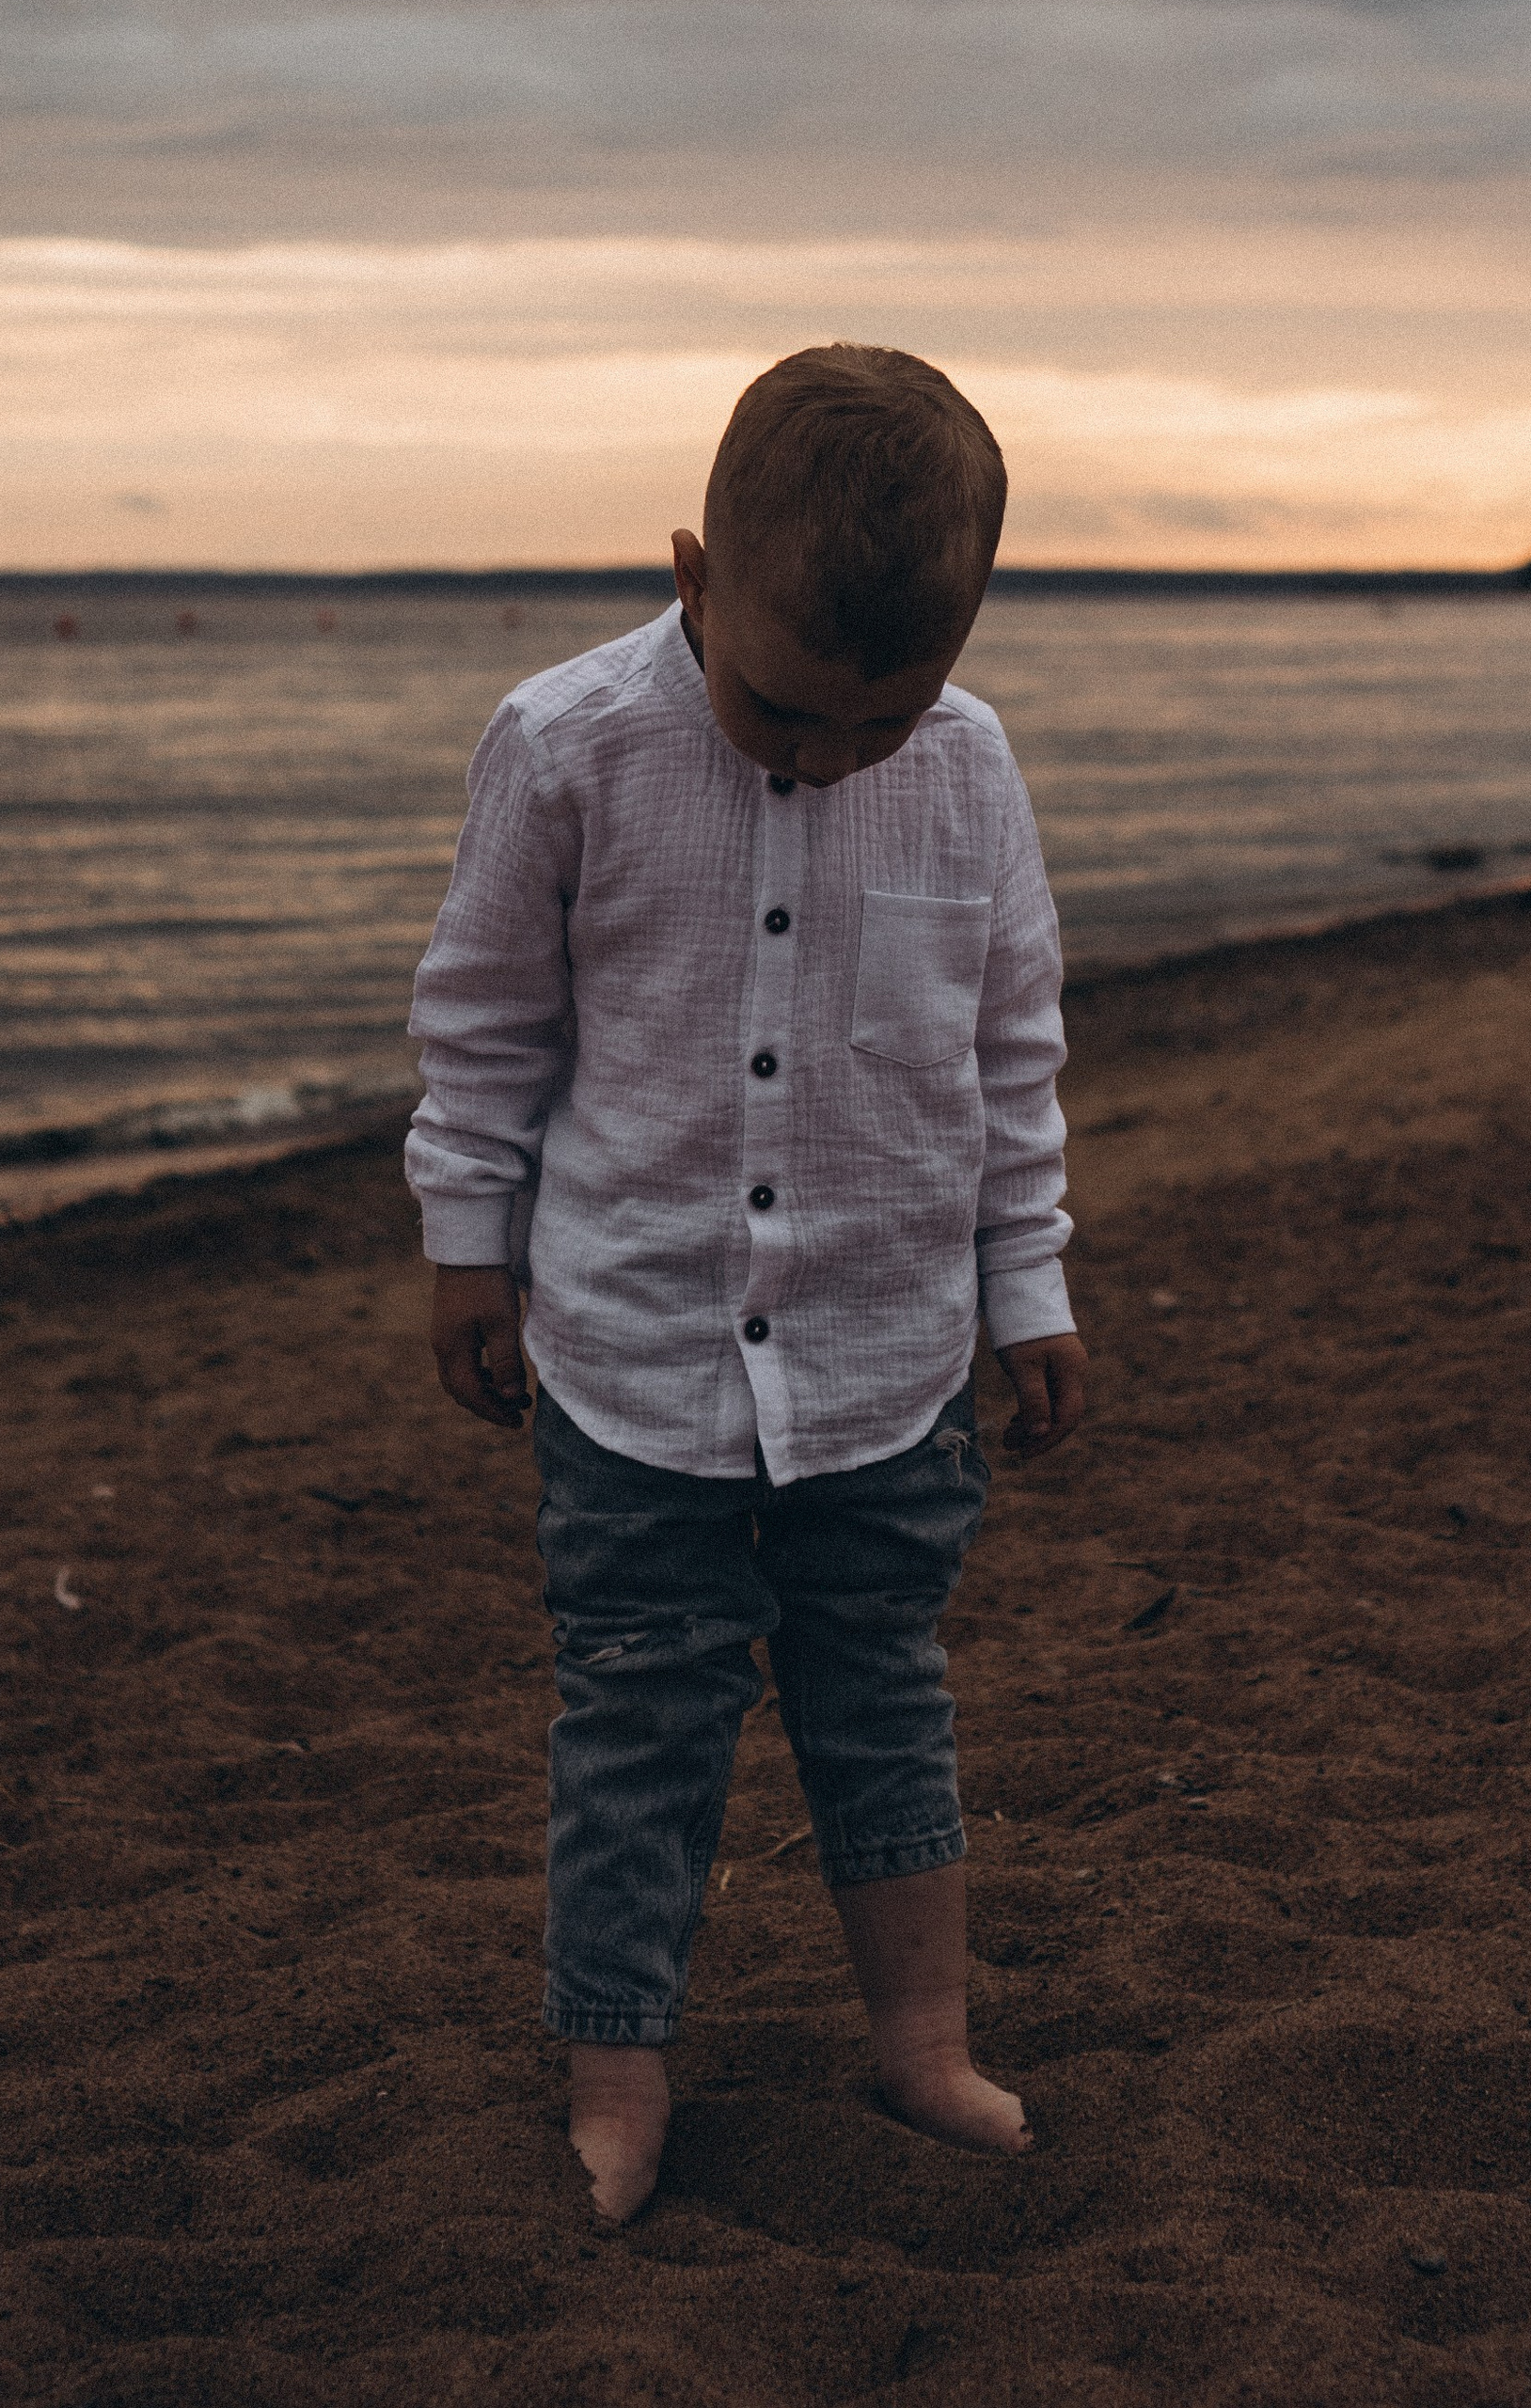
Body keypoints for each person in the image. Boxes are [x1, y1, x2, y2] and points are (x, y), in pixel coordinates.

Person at [406, 344, 1088, 2223]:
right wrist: (466, 1243)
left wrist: (1025, 1287)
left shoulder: (964, 772)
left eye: (874, 724)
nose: (819, 759)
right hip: (629, 1350)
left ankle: (921, 2043)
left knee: (879, 1690)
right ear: (693, 575)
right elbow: (481, 1028)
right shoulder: (561, 749)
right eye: (781, 710)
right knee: (639, 1707)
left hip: (887, 1357)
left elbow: (1010, 1049)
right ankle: (618, 2078)